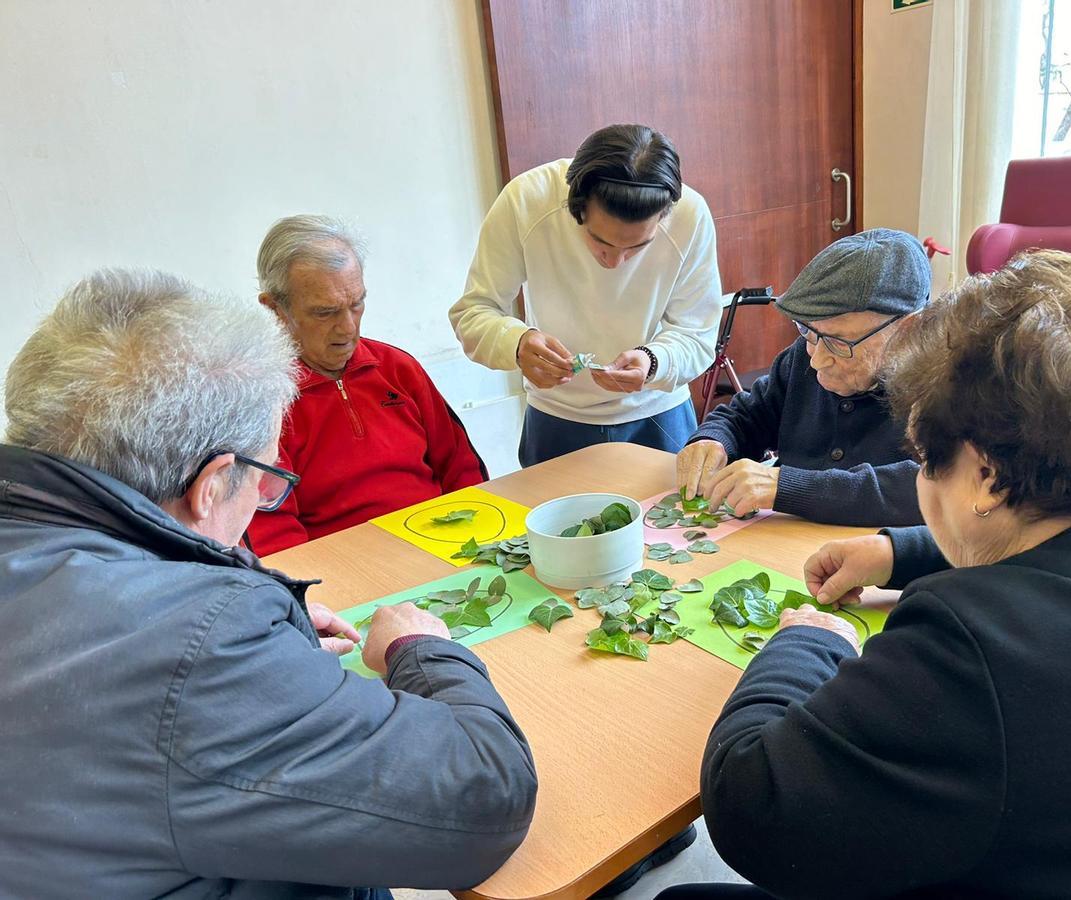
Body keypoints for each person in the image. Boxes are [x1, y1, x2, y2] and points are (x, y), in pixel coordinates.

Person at [671, 251, 1071, 898]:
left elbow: (749, 809)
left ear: (984, 476)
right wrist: (903, 551)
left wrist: (809, 643)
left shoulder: (967, 641)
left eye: (924, 462)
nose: (922, 479)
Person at [0, 270, 537, 898]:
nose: (267, 494)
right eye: (266, 474)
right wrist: (417, 651)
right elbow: (486, 796)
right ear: (210, 487)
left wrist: (255, 625)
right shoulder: (196, 646)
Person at [449, 123, 723, 467]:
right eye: (601, 242)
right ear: (574, 207)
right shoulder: (526, 201)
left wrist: (655, 361)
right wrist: (516, 344)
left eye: (637, 247)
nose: (615, 262)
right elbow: (473, 312)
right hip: (555, 417)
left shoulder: (690, 215)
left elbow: (697, 335)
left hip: (658, 414)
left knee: (679, 520)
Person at [250, 215, 487, 555]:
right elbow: (276, 541)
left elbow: (462, 471)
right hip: (345, 574)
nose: (348, 328)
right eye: (325, 312)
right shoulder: (261, 402)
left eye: (356, 303)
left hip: (443, 549)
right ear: (275, 309)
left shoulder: (398, 369)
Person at [676, 228, 929, 526]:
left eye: (839, 342)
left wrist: (786, 487)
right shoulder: (803, 355)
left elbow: (924, 487)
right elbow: (747, 416)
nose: (817, 358)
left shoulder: (945, 386)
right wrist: (713, 441)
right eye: (808, 330)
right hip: (784, 544)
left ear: (907, 329)